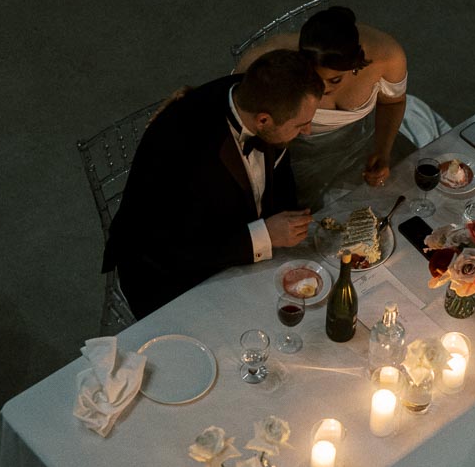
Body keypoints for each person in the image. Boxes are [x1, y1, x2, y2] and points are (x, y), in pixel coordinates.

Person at [103, 50, 323, 319]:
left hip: (235, 244)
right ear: (263, 120)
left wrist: (284, 219)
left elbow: (279, 169)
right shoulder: (181, 152)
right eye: (302, 125)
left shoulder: (256, 93)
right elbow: (171, 251)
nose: (308, 131)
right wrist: (264, 235)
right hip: (168, 278)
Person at [235, 6, 408, 210]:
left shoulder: (388, 56)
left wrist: (383, 151)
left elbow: (393, 102)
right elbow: (235, 106)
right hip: (296, 157)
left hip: (360, 144)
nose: (323, 88)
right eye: (315, 79)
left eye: (334, 80)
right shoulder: (270, 59)